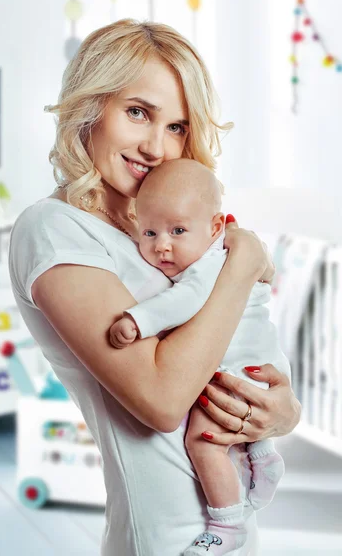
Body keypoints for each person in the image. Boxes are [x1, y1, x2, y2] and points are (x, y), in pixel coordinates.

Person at [8, 19, 301, 556]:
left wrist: (280, 413)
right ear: (91, 106)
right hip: (165, 540)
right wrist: (243, 263)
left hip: (228, 526)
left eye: (178, 127)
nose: (156, 146)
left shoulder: (166, 234)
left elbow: (236, 343)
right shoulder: (54, 230)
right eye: (138, 112)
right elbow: (164, 400)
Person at [109, 159, 291, 555]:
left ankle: (226, 523)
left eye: (177, 231)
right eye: (150, 232)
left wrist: (138, 321)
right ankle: (263, 456)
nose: (162, 245)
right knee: (233, 429)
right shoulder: (224, 252)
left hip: (237, 367)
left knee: (204, 441)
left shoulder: (207, 266)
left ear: (214, 228)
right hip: (258, 361)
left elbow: (184, 302)